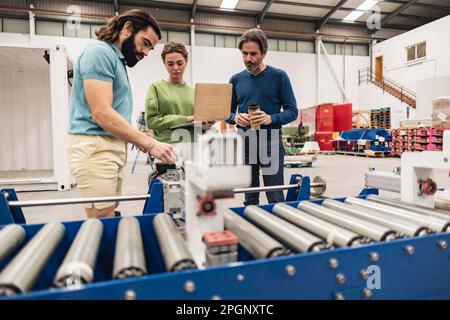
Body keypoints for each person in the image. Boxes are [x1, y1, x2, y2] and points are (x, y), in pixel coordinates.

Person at [68, 9, 176, 219]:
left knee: (110, 212)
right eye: (145, 43)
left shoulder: (116, 60)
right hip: (95, 148)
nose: (146, 52)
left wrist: (141, 137)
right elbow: (101, 113)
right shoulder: (99, 52)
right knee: (100, 220)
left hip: (108, 147)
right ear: (127, 28)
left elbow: (113, 112)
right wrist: (149, 144)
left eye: (150, 49)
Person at [227, 28, 298, 206]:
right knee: (249, 195)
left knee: (274, 195)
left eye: (253, 54)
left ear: (264, 53)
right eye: (244, 53)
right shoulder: (235, 79)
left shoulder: (279, 76)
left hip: (271, 142)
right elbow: (226, 113)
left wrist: (270, 119)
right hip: (245, 141)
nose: (248, 59)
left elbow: (292, 111)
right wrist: (235, 118)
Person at [145, 42, 213, 144]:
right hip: (166, 149)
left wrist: (205, 125)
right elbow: (151, 121)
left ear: (186, 61)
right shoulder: (156, 88)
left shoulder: (194, 91)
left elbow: (199, 123)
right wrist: (185, 119)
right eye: (170, 64)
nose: (175, 68)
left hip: (192, 147)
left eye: (180, 63)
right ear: (164, 63)